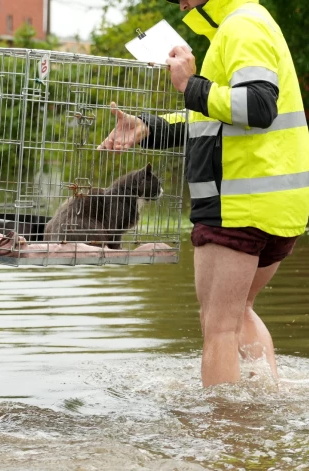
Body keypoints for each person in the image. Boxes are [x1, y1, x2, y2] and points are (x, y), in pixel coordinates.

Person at [99, 0, 309, 387]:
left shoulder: (243, 26)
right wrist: (149, 126)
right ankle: (266, 407)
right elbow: (214, 116)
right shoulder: (240, 25)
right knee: (239, 311)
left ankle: (221, 436)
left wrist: (189, 85)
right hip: (275, 203)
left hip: (238, 201)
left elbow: (258, 105)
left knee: (219, 325)